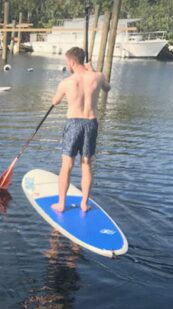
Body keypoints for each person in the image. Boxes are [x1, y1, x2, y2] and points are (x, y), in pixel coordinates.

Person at [50, 46, 110, 213]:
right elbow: (107, 88)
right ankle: (84, 203)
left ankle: (61, 204)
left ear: (72, 62)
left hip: (73, 124)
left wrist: (56, 97)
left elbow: (55, 102)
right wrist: (93, 69)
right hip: (91, 123)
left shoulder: (66, 82)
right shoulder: (98, 76)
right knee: (86, 165)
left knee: (67, 165)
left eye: (67, 62)